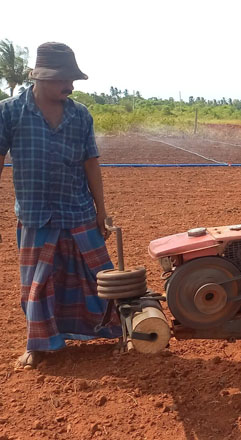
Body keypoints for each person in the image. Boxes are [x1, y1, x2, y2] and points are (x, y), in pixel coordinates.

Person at [0, 42, 120, 369]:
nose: (69, 86)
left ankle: (114, 330)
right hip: (36, 213)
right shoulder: (9, 112)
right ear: (39, 77)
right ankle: (39, 344)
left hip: (78, 208)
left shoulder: (81, 115)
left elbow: (91, 164)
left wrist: (100, 210)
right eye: (62, 80)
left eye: (72, 80)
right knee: (38, 283)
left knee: (99, 274)